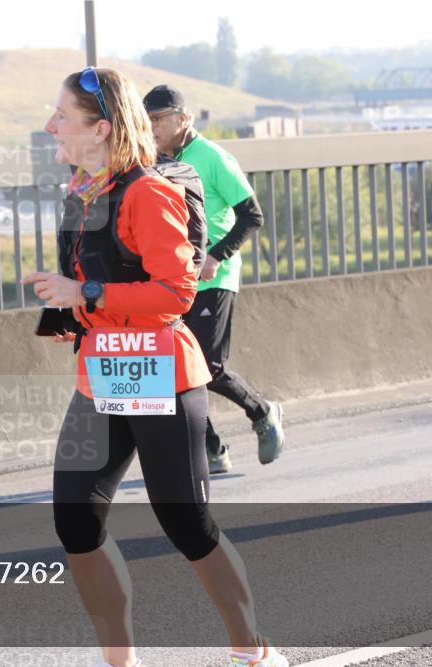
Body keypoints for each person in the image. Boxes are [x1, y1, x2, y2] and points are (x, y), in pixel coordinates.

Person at [22, 67, 288, 667]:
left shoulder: (149, 193)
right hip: (102, 376)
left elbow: (175, 293)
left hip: (162, 376)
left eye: (62, 116)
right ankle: (121, 661)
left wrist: (86, 295)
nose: (51, 126)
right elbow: (89, 279)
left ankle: (254, 652)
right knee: (75, 521)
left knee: (186, 524)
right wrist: (64, 308)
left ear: (102, 129)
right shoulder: (79, 193)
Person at [143, 84, 285, 474]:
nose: (152, 126)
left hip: (215, 276)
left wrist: (216, 255)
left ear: (183, 118)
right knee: (176, 367)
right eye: (148, 119)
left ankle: (262, 411)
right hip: (174, 281)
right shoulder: (153, 160)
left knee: (208, 366)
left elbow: (252, 215)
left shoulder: (213, 157)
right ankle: (212, 449)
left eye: (158, 119)